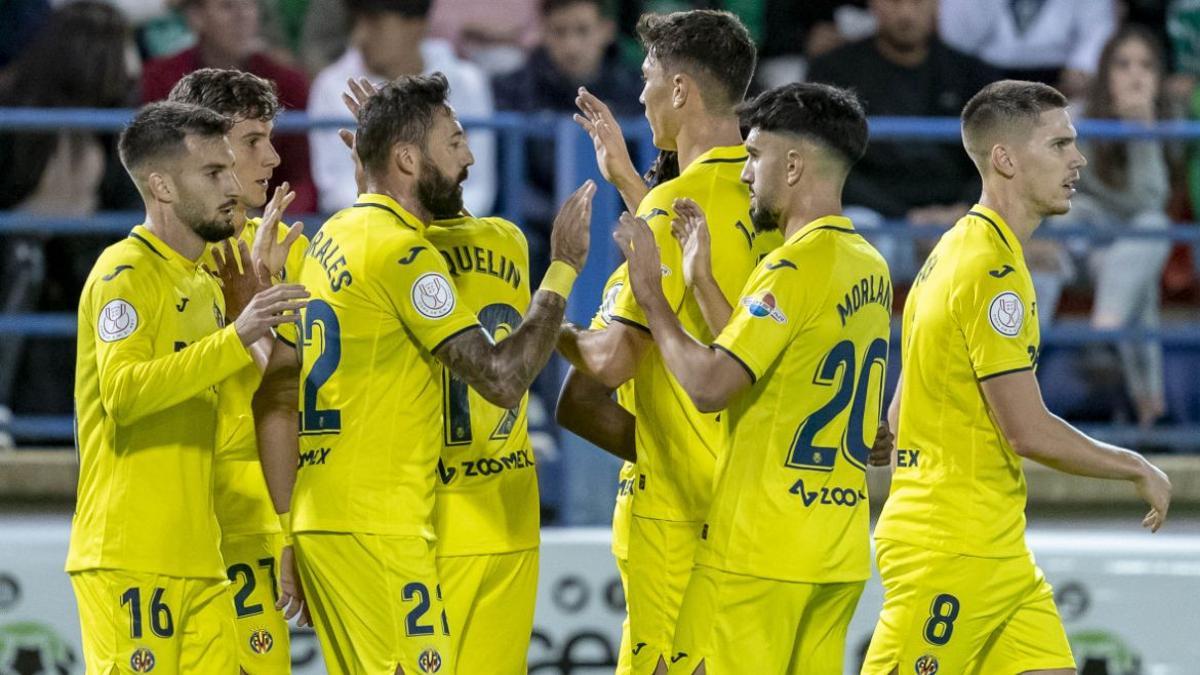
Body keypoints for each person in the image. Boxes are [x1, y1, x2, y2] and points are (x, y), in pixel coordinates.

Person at [253, 73, 594, 674]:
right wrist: (563, 268)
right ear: (407, 159)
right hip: (377, 523)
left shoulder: (333, 235)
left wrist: (379, 142)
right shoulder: (403, 252)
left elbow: (280, 388)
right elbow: (501, 378)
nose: (468, 156)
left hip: (332, 515)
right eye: (454, 140)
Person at [863, 80, 1172, 674]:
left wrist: (896, 436)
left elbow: (910, 390)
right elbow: (1026, 430)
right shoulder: (993, 270)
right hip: (955, 547)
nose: (1077, 159)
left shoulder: (955, 248)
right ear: (1004, 159)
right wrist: (1135, 466)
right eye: (1059, 145)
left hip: (995, 548)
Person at [611, 81, 889, 675]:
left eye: (755, 156)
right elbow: (774, 362)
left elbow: (713, 384)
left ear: (792, 166)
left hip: (756, 553)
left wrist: (654, 302)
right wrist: (704, 280)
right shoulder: (870, 266)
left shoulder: (789, 267)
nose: (744, 174)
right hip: (835, 554)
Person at [556, 10, 770, 673]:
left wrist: (541, 325)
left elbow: (608, 363)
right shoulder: (780, 197)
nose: (641, 95)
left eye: (649, 78)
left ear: (680, 90)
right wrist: (631, 182)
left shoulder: (673, 202)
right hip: (759, 506)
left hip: (675, 514)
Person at [66, 101, 308, 672]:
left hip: (201, 558)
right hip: (131, 554)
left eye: (229, 168)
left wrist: (254, 309)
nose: (233, 186)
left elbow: (237, 397)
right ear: (162, 187)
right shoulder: (124, 273)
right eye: (213, 173)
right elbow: (123, 394)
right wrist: (237, 334)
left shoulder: (207, 284)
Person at [167, 67, 312, 672]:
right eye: (253, 140)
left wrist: (292, 536)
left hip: (253, 535)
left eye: (270, 137)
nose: (273, 156)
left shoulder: (291, 252)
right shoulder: (146, 268)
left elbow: (299, 400)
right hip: (169, 540)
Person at [0, 1, 139, 422]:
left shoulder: (115, 132)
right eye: (120, 52)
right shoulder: (18, 122)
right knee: (25, 261)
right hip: (21, 273)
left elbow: (125, 214)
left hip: (81, 273)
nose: (131, 67)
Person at [807, 0, 998, 280]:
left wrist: (964, 210)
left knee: (1039, 251)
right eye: (895, 1)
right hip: (873, 213)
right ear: (873, 5)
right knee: (853, 239)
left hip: (955, 214)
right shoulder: (832, 72)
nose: (906, 13)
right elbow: (826, 164)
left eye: (918, 1)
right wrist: (904, 218)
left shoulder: (974, 74)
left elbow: (997, 159)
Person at [1051, 26, 1173, 429]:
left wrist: (1143, 135)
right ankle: (1148, 405)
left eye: (1146, 66)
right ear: (1106, 74)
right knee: (1139, 243)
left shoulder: (1167, 124)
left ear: (1159, 77)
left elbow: (1148, 201)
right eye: (1123, 65)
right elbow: (1064, 194)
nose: (1135, 76)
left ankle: (1106, 330)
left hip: (1122, 253)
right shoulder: (1075, 120)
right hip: (1077, 239)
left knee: (1152, 230)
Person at [493, 0, 642, 282]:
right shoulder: (512, 90)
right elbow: (508, 179)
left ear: (606, 30)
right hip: (538, 228)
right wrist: (558, 218)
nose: (571, 46)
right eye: (559, 32)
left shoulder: (638, 91)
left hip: (616, 222)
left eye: (582, 31)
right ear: (543, 32)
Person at [307, 0, 495, 216]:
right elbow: (335, 190)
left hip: (453, 230)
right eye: (357, 21)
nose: (360, 36)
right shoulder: (331, 85)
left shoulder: (468, 81)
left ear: (416, 26)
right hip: (368, 233)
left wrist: (429, 221)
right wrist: (403, 218)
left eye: (375, 23)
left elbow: (478, 188)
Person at [141, 0, 316, 212]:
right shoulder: (160, 79)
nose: (242, 17)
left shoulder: (288, 83)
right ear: (196, 17)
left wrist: (274, 225)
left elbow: (301, 177)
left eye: (250, 5)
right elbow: (154, 168)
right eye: (228, 6)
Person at [938, 0, 1115, 97]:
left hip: (1060, 77)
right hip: (986, 74)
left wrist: (1083, 67)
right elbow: (957, 36)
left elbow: (1098, 29)